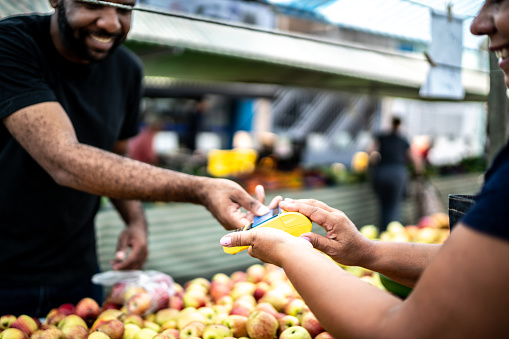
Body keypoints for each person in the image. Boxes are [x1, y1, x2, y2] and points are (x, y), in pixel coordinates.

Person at [220, 1, 509, 337]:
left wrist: (288, 252)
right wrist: (365, 252)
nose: (477, 25)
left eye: (501, 0)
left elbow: (408, 332)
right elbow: (472, 273)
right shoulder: (403, 139)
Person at [0, 0, 271, 317]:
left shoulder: (126, 69)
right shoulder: (11, 46)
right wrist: (199, 188)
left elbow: (117, 156)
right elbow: (64, 159)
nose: (112, 24)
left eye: (124, 9)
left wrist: (136, 221)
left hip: (78, 273)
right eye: (94, 4)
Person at [368, 116, 423, 231]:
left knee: (383, 205)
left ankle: (382, 231)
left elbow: (370, 151)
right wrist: (418, 172)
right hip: (397, 173)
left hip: (381, 172)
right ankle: (392, 233)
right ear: (399, 125)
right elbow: (415, 159)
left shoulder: (382, 137)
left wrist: (373, 163)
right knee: (394, 205)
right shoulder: (402, 140)